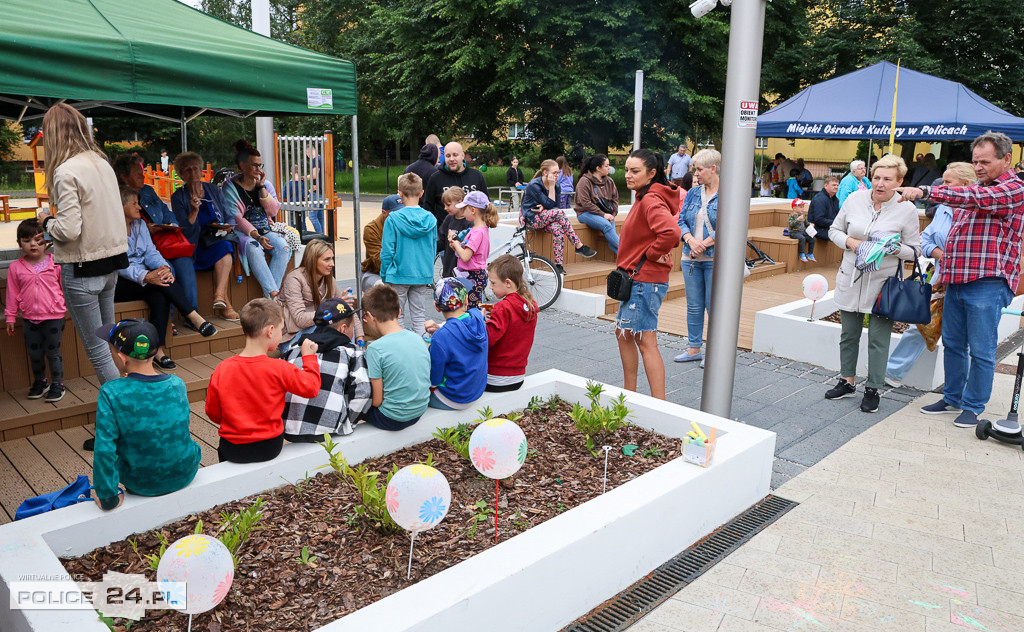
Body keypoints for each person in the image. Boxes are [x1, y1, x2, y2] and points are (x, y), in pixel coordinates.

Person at [901, 132, 1024, 429]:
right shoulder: (979, 187)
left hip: (988, 282)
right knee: (953, 343)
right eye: (975, 161)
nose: (979, 167)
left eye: (985, 161)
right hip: (956, 279)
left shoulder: (1013, 189)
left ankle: (973, 406)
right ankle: (952, 397)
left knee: (981, 348)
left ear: (1006, 159)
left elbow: (974, 197)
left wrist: (926, 191)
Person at [38, 103, 127, 388]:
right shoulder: (102, 163)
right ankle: (130, 398)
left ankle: (123, 413)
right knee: (109, 339)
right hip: (111, 267)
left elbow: (67, 229)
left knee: (98, 351)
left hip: (83, 271)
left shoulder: (65, 172)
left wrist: (45, 222)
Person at [825, 154, 921, 413]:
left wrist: (894, 247)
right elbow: (834, 230)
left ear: (899, 182)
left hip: (883, 285)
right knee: (848, 334)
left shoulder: (907, 209)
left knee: (879, 339)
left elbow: (915, 251)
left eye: (887, 179)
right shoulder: (855, 199)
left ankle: (873, 388)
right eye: (876, 177)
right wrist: (852, 243)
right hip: (851, 277)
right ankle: (846, 381)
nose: (880, 184)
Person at [91, 319, 202, 510]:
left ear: (122, 358)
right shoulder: (177, 384)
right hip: (185, 472)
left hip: (141, 483)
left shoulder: (111, 392)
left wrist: (108, 497)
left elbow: (104, 449)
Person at [885, 162, 977, 388]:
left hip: (969, 283)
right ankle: (892, 373)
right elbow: (925, 239)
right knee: (919, 324)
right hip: (940, 280)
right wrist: (940, 254)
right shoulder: (944, 208)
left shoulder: (977, 211)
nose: (942, 186)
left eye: (947, 182)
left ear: (965, 185)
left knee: (962, 337)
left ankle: (961, 389)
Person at [207, 299, 320, 462]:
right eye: (282, 329)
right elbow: (311, 388)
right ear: (270, 331)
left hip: (232, 447)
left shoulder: (222, 368)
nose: (282, 334)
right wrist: (309, 357)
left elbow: (213, 412)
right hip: (268, 446)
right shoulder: (279, 368)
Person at [116, 187, 216, 369]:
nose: (139, 207)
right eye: (134, 203)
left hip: (142, 278)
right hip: (120, 282)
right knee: (159, 284)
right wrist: (146, 276)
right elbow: (119, 265)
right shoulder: (111, 230)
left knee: (161, 292)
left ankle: (157, 351)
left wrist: (163, 268)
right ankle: (193, 316)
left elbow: (151, 253)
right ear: (120, 206)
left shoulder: (140, 225)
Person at [615, 149, 681, 399]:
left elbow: (671, 233)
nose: (628, 175)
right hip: (639, 279)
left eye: (635, 171)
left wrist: (653, 254)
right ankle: (630, 394)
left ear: (652, 173)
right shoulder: (645, 196)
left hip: (644, 280)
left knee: (645, 341)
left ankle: (659, 404)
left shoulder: (651, 199)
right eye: (626, 170)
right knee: (624, 334)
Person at [113, 154, 199, 316]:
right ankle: (170, 319)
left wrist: (169, 226)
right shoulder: (117, 200)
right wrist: (148, 230)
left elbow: (168, 214)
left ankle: (192, 314)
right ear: (124, 177)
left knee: (185, 262)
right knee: (168, 270)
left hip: (165, 243)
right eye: (138, 174)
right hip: (145, 253)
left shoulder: (148, 192)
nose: (143, 176)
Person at [282, 298, 371, 441]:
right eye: (352, 328)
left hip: (289, 430)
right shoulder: (352, 352)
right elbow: (363, 392)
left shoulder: (293, 349)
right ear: (343, 329)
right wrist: (346, 422)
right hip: (329, 431)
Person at [170, 151, 239, 321]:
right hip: (195, 244)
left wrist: (228, 226)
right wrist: (194, 210)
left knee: (225, 246)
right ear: (181, 174)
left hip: (217, 238)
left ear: (202, 170)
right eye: (187, 170)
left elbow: (228, 214)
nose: (193, 173)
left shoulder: (213, 189)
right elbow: (184, 231)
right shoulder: (178, 197)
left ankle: (219, 296)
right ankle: (225, 304)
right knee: (224, 248)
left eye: (195, 168)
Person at [5, 219, 66, 402]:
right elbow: (12, 293)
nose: (32, 244)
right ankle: (41, 382)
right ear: (19, 243)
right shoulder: (16, 267)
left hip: (54, 316)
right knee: (35, 353)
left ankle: (58, 384)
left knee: (53, 351)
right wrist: (10, 316)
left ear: (46, 241)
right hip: (29, 317)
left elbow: (65, 288)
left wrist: (63, 305)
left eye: (37, 240)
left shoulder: (56, 263)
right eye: (26, 240)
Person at [221, 139, 290, 299]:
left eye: (260, 165)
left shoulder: (266, 184)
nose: (259, 169)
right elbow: (236, 218)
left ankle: (271, 298)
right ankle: (274, 297)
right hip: (243, 233)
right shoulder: (230, 187)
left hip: (266, 229)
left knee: (283, 248)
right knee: (254, 248)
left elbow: (273, 211)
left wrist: (262, 188)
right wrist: (256, 236)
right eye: (254, 165)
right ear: (242, 166)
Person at [360, 285, 431, 430]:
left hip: (392, 418)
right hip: (420, 410)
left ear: (370, 317)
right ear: (399, 312)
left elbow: (377, 401)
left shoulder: (375, 349)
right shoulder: (417, 338)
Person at [675, 149, 721, 367]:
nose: (695, 173)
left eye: (699, 169)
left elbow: (730, 225)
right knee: (694, 306)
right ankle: (694, 349)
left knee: (714, 307)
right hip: (690, 257)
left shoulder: (729, 194)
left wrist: (705, 244)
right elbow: (680, 220)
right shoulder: (694, 192)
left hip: (714, 260)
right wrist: (691, 241)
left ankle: (714, 351)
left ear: (713, 169)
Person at [279, 239, 362, 351]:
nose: (332, 263)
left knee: (344, 326)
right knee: (338, 331)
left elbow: (348, 311)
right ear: (312, 260)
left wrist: (359, 336)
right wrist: (332, 310)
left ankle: (352, 355)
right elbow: (300, 319)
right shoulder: (294, 279)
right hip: (293, 336)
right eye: (327, 259)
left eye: (332, 258)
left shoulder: (329, 280)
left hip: (319, 329)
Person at [381, 173, 437, 335]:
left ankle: (400, 349)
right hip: (421, 273)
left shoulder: (393, 219)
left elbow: (387, 251)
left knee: (397, 315)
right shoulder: (431, 219)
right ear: (421, 193)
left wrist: (385, 274)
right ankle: (420, 348)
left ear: (399, 193)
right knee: (419, 315)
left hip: (399, 273)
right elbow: (432, 249)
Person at [521, 159, 598, 274]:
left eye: (558, 173)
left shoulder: (557, 185)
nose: (557, 175)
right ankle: (578, 245)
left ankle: (558, 265)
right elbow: (553, 207)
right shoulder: (534, 185)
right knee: (560, 213)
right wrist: (550, 189)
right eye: (554, 173)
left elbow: (555, 206)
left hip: (545, 218)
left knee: (558, 228)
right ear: (545, 173)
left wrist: (545, 204)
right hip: (531, 219)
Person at [423, 278, 488, 410]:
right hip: (476, 391)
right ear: (466, 301)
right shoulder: (478, 317)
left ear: (436, 306)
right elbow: (460, 330)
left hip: (452, 398)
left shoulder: (440, 337)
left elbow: (434, 380)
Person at [485, 254, 538, 392]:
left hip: (495, 378)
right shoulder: (529, 304)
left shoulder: (503, 307)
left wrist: (481, 322)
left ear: (508, 283)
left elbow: (487, 340)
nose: (490, 287)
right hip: (518, 377)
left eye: (493, 283)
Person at [422, 142, 488, 229]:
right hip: (445, 234)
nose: (451, 159)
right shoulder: (435, 178)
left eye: (455, 155)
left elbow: (486, 204)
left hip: (474, 232)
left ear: (462, 155)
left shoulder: (476, 176)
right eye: (448, 156)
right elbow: (428, 207)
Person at [449, 191, 498, 308]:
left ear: (472, 210)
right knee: (472, 307)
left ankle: (475, 326)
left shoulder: (477, 232)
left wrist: (456, 245)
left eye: (464, 209)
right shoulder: (480, 229)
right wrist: (458, 247)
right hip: (475, 275)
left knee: (470, 309)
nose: (462, 212)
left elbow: (466, 256)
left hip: (473, 276)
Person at [574, 154, 620, 254]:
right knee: (606, 226)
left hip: (606, 215)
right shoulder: (584, 181)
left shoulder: (609, 181)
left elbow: (615, 199)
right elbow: (586, 203)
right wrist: (603, 215)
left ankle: (625, 262)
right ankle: (629, 254)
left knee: (612, 238)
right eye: (607, 166)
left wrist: (613, 214)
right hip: (585, 213)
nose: (609, 168)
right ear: (598, 168)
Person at [361, 194, 402, 291]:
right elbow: (379, 261)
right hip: (375, 273)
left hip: (399, 271)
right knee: (384, 288)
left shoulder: (403, 224)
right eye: (396, 213)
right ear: (384, 213)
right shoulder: (371, 229)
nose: (400, 216)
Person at [437, 187, 472, 278]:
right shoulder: (449, 219)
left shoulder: (470, 222)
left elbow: (469, 247)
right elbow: (441, 240)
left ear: (459, 203)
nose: (445, 208)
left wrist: (455, 237)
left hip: (464, 272)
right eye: (444, 205)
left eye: (448, 205)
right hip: (449, 269)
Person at [808, 176, 841, 242]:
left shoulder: (835, 199)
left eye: (837, 185)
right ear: (826, 186)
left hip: (830, 228)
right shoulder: (820, 199)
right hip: (818, 229)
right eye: (834, 185)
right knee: (842, 238)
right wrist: (836, 223)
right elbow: (818, 219)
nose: (836, 187)